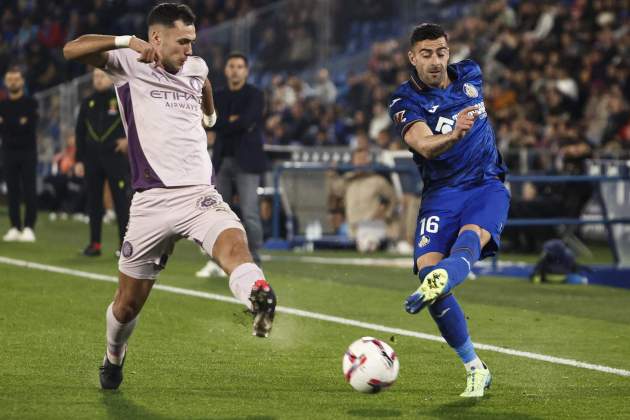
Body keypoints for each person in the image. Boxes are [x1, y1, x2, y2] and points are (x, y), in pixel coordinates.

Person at [63, 3, 276, 391]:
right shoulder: (127, 61)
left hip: (198, 194)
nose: (190, 51)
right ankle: (113, 356)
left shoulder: (196, 67)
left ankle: (257, 296)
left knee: (234, 243)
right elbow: (71, 49)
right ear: (157, 38)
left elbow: (205, 82)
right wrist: (127, 41)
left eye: (192, 42)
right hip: (150, 202)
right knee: (127, 305)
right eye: (182, 42)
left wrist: (209, 116)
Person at [389, 23, 510, 398]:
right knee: (428, 272)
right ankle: (475, 367)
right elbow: (423, 145)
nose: (436, 61)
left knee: (470, 239)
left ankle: (445, 275)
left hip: (486, 184)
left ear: (448, 51)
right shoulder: (404, 101)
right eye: (426, 54)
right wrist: (455, 134)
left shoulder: (471, 74)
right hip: (441, 194)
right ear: (412, 57)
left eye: (441, 52)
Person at [209, 52, 266, 260]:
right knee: (219, 213)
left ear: (246, 71)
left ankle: (255, 258)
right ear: (226, 70)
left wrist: (227, 123)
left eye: (240, 66)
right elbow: (212, 122)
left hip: (247, 161)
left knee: (250, 212)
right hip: (222, 159)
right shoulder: (218, 95)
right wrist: (233, 122)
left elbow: (246, 121)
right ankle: (219, 259)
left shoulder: (255, 95)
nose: (235, 70)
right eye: (231, 66)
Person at [75, 68, 131, 256]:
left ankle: (124, 245)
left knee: (121, 202)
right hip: (92, 159)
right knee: (94, 203)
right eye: (95, 77)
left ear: (111, 77)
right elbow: (79, 133)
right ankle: (95, 244)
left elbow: (136, 122)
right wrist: (79, 160)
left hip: (115, 157)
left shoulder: (121, 98)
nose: (98, 80)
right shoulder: (87, 102)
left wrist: (128, 140)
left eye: (102, 76)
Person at [0, 66, 38, 242]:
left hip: (28, 152)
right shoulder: (3, 104)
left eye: (16, 79)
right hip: (8, 152)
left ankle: (29, 227)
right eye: (10, 79)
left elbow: (29, 128)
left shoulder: (31, 103)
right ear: (6, 82)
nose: (13, 82)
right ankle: (15, 226)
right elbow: (13, 128)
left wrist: (8, 122)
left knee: (29, 189)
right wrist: (17, 123)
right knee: (12, 190)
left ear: (22, 81)